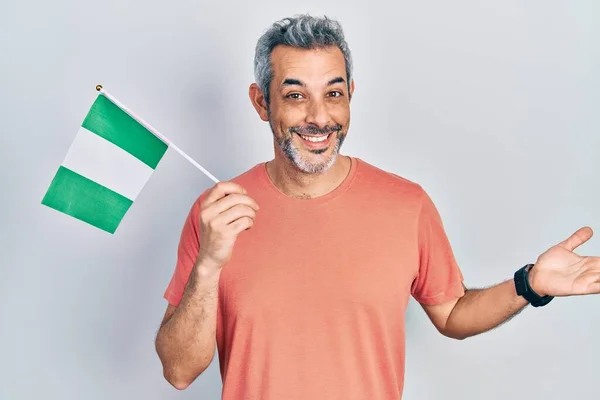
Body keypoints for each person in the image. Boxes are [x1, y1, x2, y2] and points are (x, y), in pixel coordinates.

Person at [154, 14, 599, 400]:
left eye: (333, 93)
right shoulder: (217, 213)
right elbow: (178, 371)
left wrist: (531, 283)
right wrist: (209, 265)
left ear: (350, 94)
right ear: (261, 102)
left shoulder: (406, 204)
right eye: (294, 95)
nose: (319, 117)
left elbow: (453, 313)